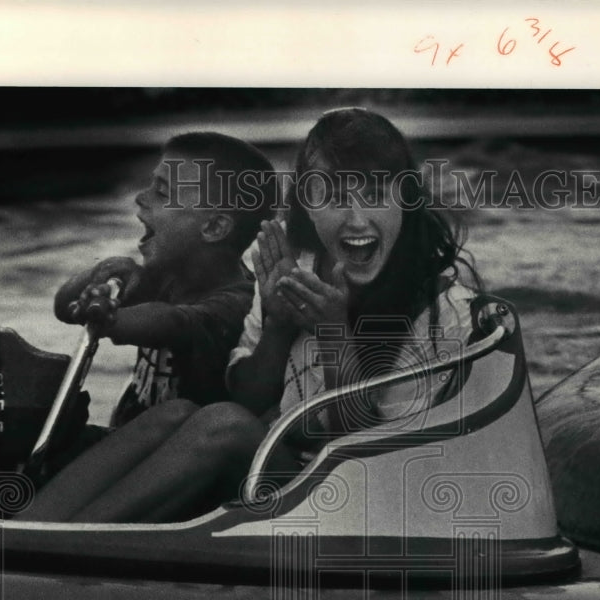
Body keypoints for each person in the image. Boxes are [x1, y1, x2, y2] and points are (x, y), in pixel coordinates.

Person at [25, 108, 482, 523]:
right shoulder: (294, 264)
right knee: (180, 412)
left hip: (366, 502)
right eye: (334, 197)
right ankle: (27, 528)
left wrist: (333, 334)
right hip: (283, 471)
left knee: (226, 425)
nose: (357, 219)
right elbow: (248, 395)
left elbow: (370, 459)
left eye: (376, 193)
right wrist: (279, 327)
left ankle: (67, 544)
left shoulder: (443, 311)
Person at [24, 132, 276, 516]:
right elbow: (64, 307)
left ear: (213, 228)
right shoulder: (162, 274)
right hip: (127, 445)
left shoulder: (234, 303)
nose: (141, 198)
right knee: (20, 412)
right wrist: (101, 276)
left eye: (161, 191)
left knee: (174, 413)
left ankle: (35, 535)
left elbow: (173, 322)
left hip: (176, 479)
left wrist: (111, 319)